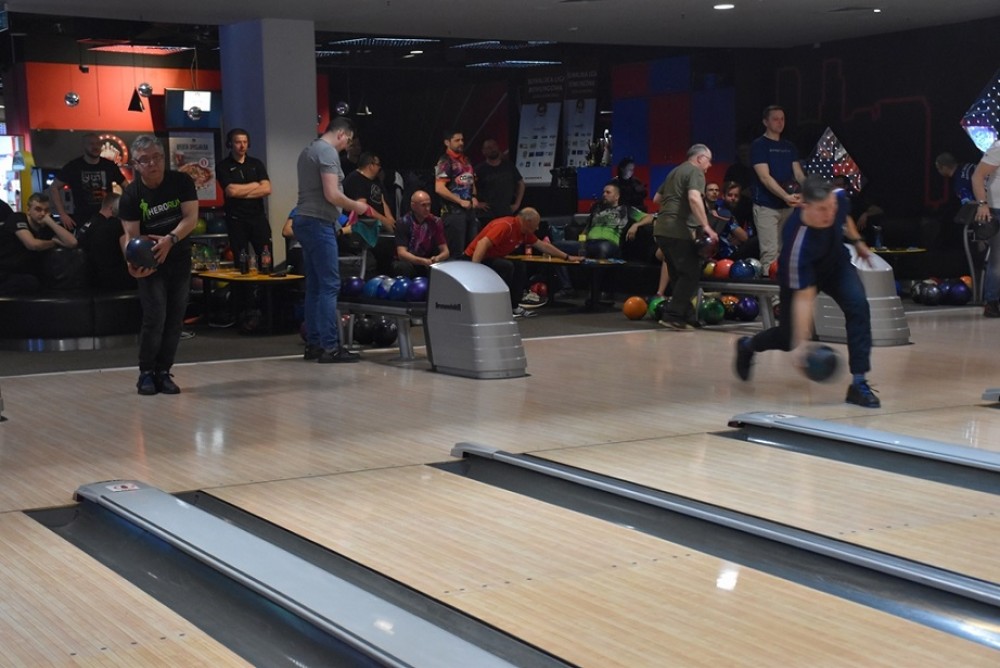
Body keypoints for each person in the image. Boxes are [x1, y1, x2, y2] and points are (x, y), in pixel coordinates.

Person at [734, 175, 881, 408]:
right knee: (789, 338)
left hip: (837, 265)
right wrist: (802, 346)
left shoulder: (836, 199)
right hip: (803, 274)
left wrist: (858, 242)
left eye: (831, 207)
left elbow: (844, 216)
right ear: (804, 205)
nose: (829, 214)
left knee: (859, 307)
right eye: (822, 209)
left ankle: (858, 382)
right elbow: (805, 298)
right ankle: (748, 345)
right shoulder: (797, 243)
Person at [119, 135, 198, 395]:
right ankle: (146, 373)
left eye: (157, 157)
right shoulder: (131, 195)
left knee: (175, 319)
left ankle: (163, 371)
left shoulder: (181, 182)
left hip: (178, 257)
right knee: (155, 317)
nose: (152, 163)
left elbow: (191, 218)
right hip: (150, 262)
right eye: (145, 160)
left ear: (164, 158)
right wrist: (132, 261)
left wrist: (170, 239)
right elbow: (130, 236)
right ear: (135, 164)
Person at [293, 117, 372, 363]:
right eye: (348, 140)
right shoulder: (327, 152)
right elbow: (332, 194)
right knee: (329, 285)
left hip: (304, 220)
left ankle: (315, 344)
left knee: (315, 286)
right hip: (318, 222)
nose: (347, 146)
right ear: (341, 134)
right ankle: (330, 346)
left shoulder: (308, 150)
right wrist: (357, 206)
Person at [465, 208, 579, 318]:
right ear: (527, 221)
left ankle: (514, 306)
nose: (537, 228)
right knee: (506, 266)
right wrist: (475, 269)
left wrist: (567, 257)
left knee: (519, 266)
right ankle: (501, 308)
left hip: (492, 258)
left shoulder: (524, 232)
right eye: (536, 224)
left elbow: (543, 246)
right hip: (474, 258)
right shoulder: (506, 225)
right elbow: (482, 244)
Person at [653, 144, 718, 330]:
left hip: (661, 230)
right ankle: (673, 315)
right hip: (678, 230)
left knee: (678, 275)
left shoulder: (675, 172)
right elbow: (694, 198)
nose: (710, 165)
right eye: (708, 160)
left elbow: (657, 198)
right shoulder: (695, 172)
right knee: (690, 273)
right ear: (699, 158)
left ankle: (687, 316)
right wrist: (706, 226)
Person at [751, 105, 805, 268]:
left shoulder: (789, 146)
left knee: (784, 251)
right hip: (766, 206)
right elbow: (764, 177)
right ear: (765, 122)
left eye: (782, 119)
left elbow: (798, 174)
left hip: (787, 207)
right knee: (770, 252)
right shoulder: (759, 145)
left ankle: (782, 283)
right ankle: (768, 283)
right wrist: (785, 196)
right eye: (775, 119)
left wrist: (807, 192)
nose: (780, 122)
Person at [0, 193, 77, 295]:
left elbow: (72, 242)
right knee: (31, 282)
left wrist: (51, 222)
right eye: (38, 209)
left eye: (46, 210)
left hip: (23, 273)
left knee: (35, 282)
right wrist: (54, 242)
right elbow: (32, 244)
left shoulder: (46, 228)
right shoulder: (17, 218)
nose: (43, 214)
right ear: (28, 210)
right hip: (4, 271)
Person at [49, 132, 127, 231]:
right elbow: (54, 187)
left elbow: (127, 186)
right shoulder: (74, 166)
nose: (95, 147)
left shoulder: (109, 165)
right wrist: (62, 214)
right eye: (91, 144)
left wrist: (124, 208)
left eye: (98, 144)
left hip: (107, 217)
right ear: (83, 146)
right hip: (83, 219)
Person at [216, 128, 272, 260]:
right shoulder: (223, 166)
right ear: (230, 144)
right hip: (236, 220)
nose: (242, 146)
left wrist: (241, 192)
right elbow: (231, 191)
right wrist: (255, 185)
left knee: (266, 258)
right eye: (238, 142)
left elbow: (267, 189)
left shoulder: (256, 164)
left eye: (245, 142)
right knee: (242, 260)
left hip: (258, 218)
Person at [343, 152, 396, 275]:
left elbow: (382, 200)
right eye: (378, 165)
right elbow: (363, 207)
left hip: (378, 224)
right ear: (370, 165)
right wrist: (384, 220)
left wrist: (390, 220)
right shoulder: (355, 179)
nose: (379, 168)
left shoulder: (376, 180)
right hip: (363, 225)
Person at [75, 192, 134, 290]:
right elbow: (128, 254)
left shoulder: (88, 225)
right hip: (114, 280)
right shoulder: (117, 225)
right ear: (112, 208)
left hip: (90, 280)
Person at [435, 130, 479, 261]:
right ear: (447, 142)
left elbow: (470, 180)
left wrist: (474, 196)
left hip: (469, 212)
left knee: (472, 252)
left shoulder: (466, 160)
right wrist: (460, 201)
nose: (461, 143)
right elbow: (439, 188)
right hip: (453, 213)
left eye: (462, 140)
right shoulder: (444, 161)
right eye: (457, 140)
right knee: (456, 254)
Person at [971, 139, 1000, 317]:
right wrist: (982, 204)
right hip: (997, 208)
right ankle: (992, 301)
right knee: (998, 258)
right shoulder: (999, 147)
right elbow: (977, 176)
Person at [393, 190, 449, 278]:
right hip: (410, 261)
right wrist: (422, 261)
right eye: (423, 205)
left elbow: (445, 251)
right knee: (402, 267)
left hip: (428, 260)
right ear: (413, 206)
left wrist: (438, 258)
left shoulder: (436, 222)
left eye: (429, 205)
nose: (427, 209)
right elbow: (401, 253)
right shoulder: (403, 222)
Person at [474, 139, 525, 225]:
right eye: (489, 147)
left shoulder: (509, 166)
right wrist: (476, 203)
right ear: (483, 151)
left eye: (494, 146)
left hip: (506, 212)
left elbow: (521, 183)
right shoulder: (478, 169)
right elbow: (468, 185)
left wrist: (517, 204)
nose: (493, 149)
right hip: (486, 215)